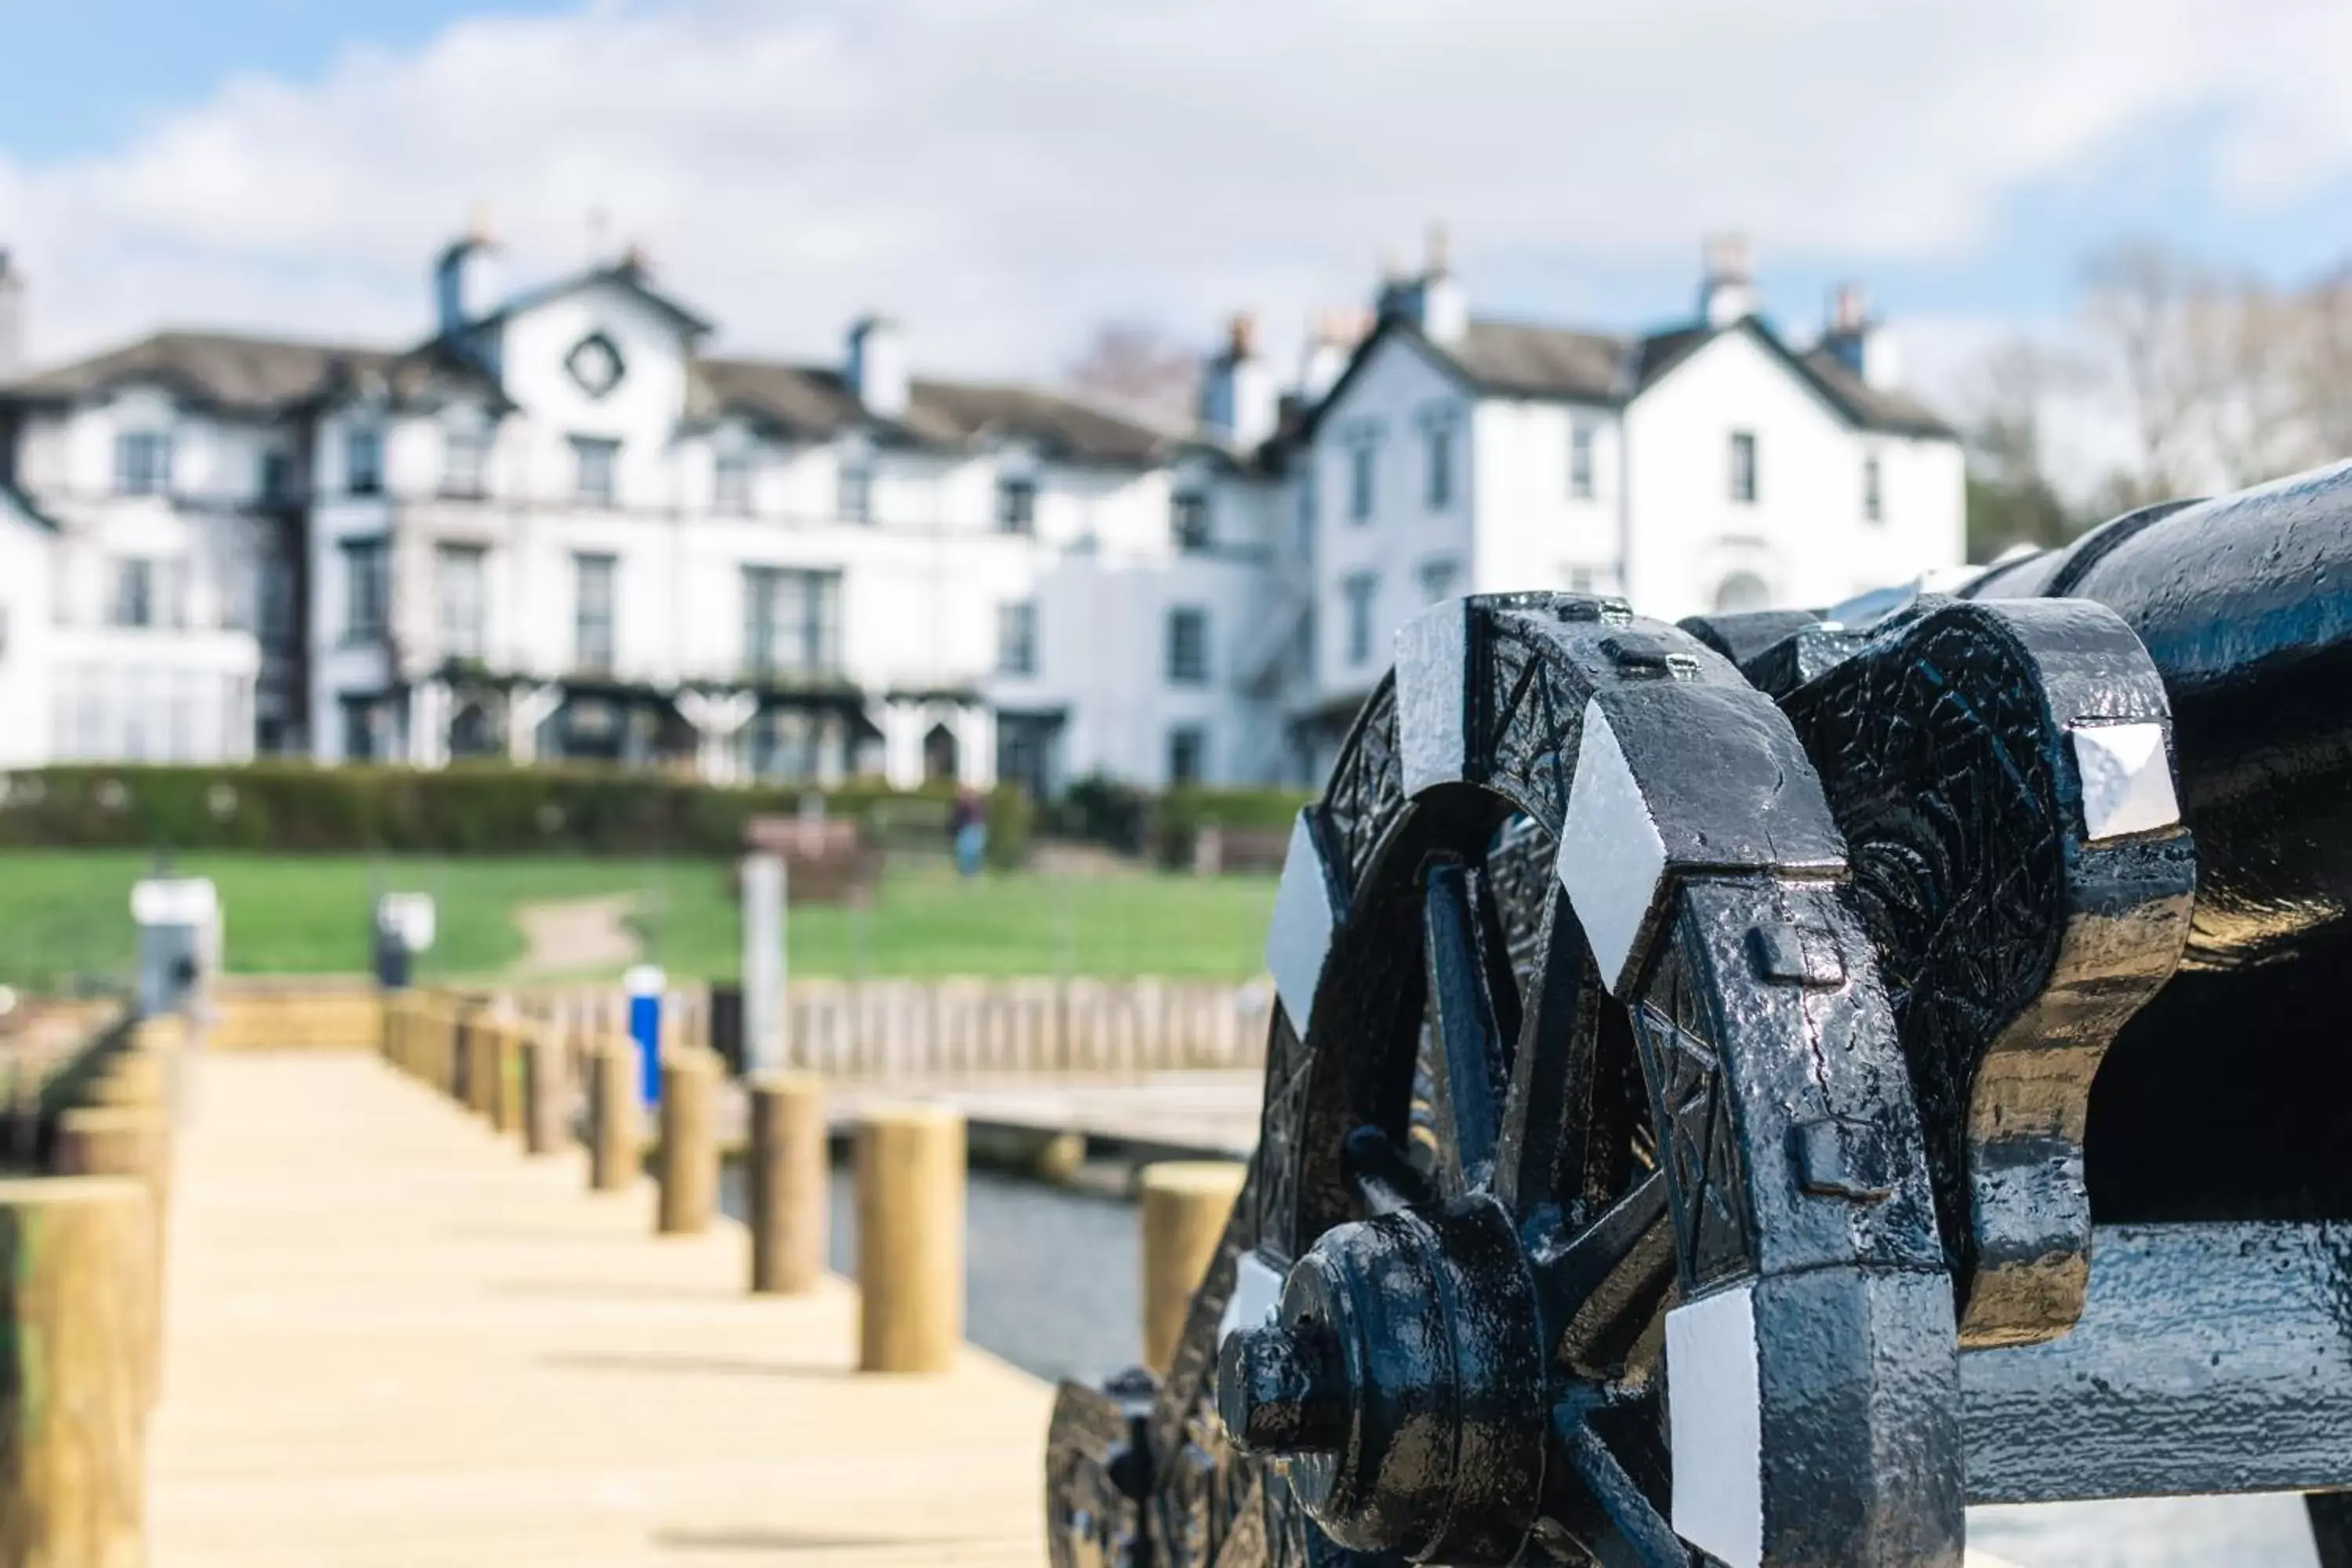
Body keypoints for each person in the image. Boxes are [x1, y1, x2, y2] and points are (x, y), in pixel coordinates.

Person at [951, 787, 988, 877]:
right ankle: (966, 873)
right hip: (969, 829)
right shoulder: (967, 804)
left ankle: (970, 873)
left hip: (972, 829)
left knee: (970, 853)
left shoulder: (970, 804)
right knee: (965, 852)